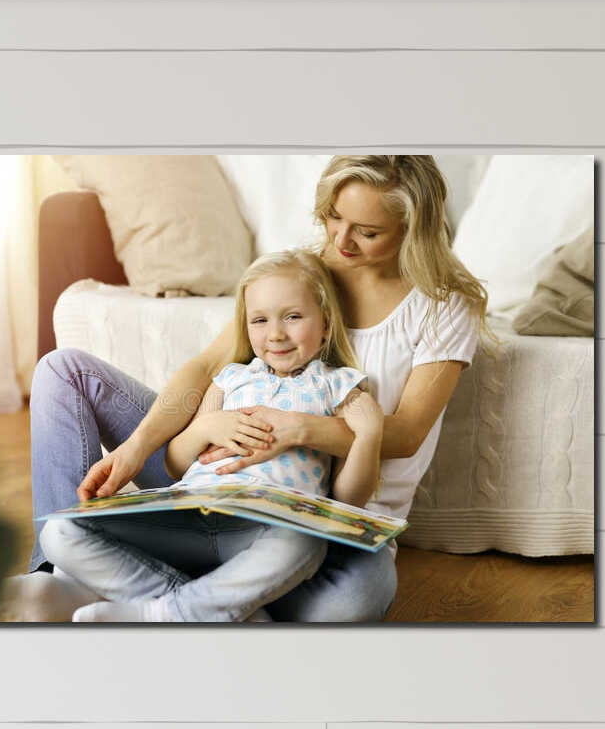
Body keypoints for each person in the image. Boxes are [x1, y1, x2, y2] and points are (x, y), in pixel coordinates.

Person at [18, 154, 489, 622]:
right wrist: (138, 448)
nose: (340, 240)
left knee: (347, 606)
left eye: (367, 232)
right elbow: (207, 368)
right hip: (214, 474)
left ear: (411, 229)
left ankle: (138, 591)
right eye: (333, 217)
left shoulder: (445, 306)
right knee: (64, 371)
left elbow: (405, 433)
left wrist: (298, 430)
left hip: (325, 509)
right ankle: (65, 572)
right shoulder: (303, 274)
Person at [38, 251, 384, 623]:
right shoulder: (231, 378)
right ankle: (211, 613)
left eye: (293, 317)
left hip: (265, 530)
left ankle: (166, 614)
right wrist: (204, 428)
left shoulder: (339, 388)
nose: (276, 334)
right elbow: (175, 466)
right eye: (260, 320)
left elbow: (349, 499)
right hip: (188, 514)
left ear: (326, 325)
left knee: (305, 540)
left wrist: (369, 437)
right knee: (59, 531)